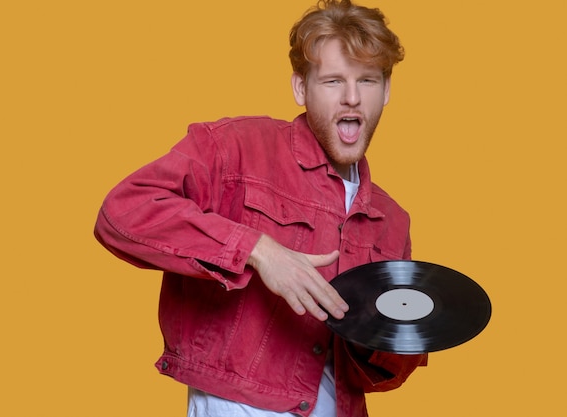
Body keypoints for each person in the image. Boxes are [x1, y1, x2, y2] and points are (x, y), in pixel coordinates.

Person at [94, 1, 428, 416]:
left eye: (368, 80)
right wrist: (257, 250)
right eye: (332, 81)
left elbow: (384, 371)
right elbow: (123, 211)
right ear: (301, 89)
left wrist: (378, 338)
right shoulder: (236, 147)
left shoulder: (392, 221)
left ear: (387, 90)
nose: (352, 98)